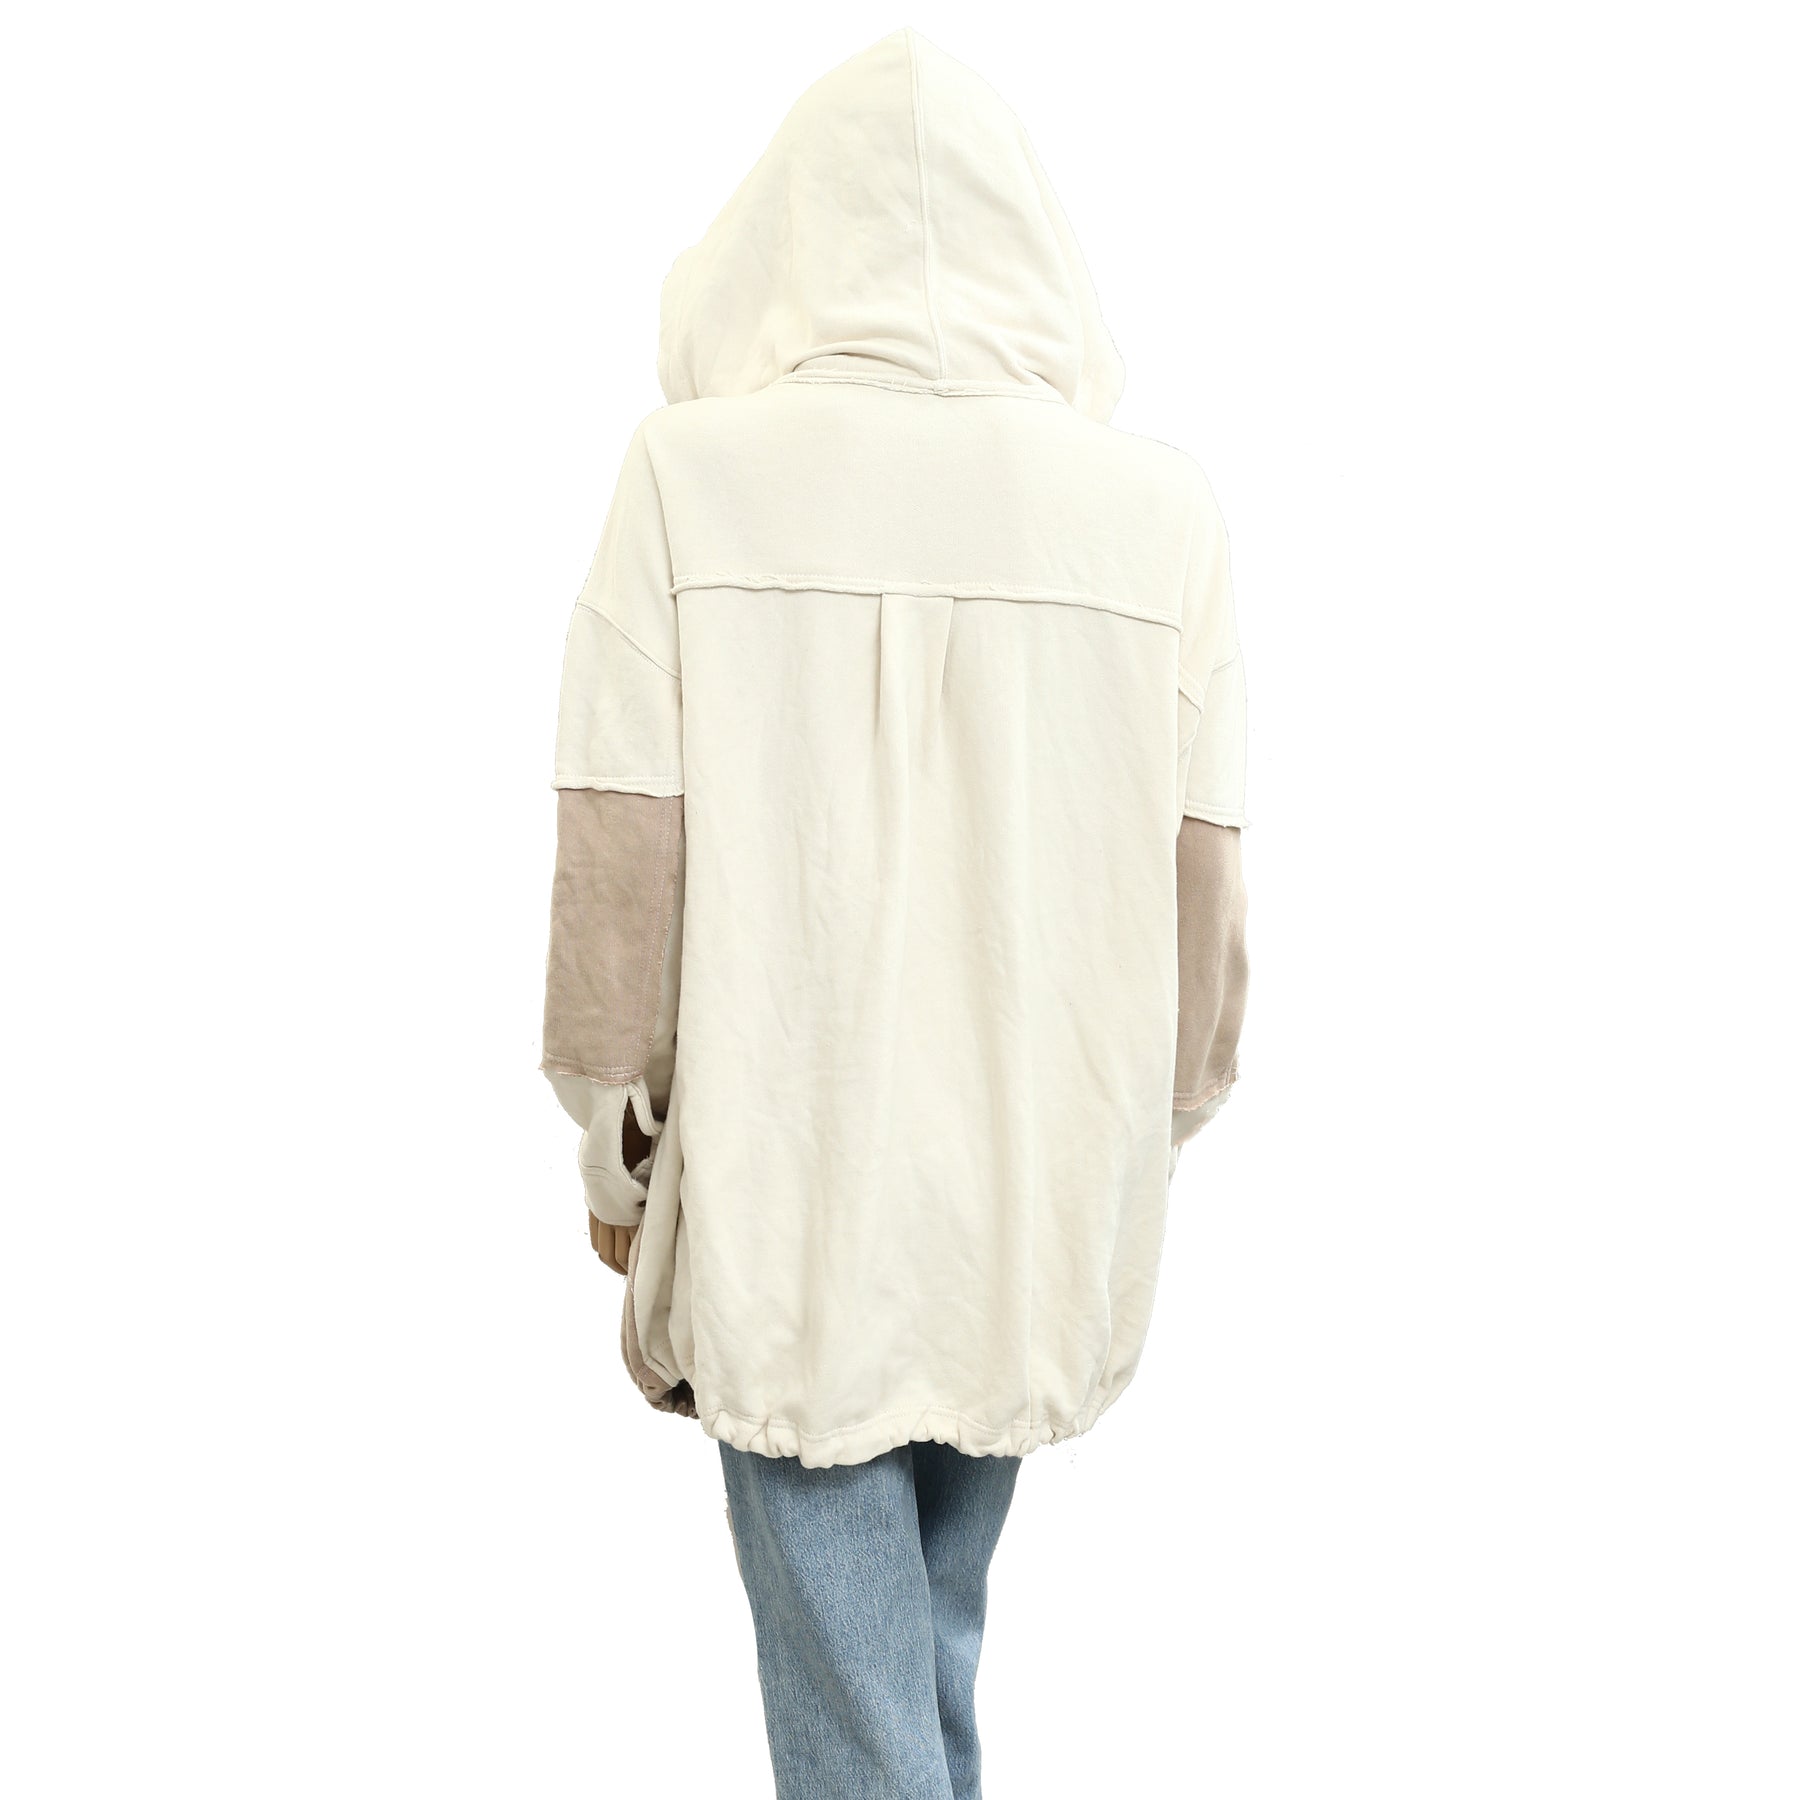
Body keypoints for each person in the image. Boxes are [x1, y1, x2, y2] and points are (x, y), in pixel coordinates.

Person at [540, 28, 1249, 1799]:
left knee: (865, 1714)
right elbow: (1205, 920)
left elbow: (621, 874)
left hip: (788, 1187)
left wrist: (618, 1150)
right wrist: (1139, 1141)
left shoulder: (688, 478)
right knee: (921, 1658)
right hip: (1037, 1193)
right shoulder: (1162, 515)